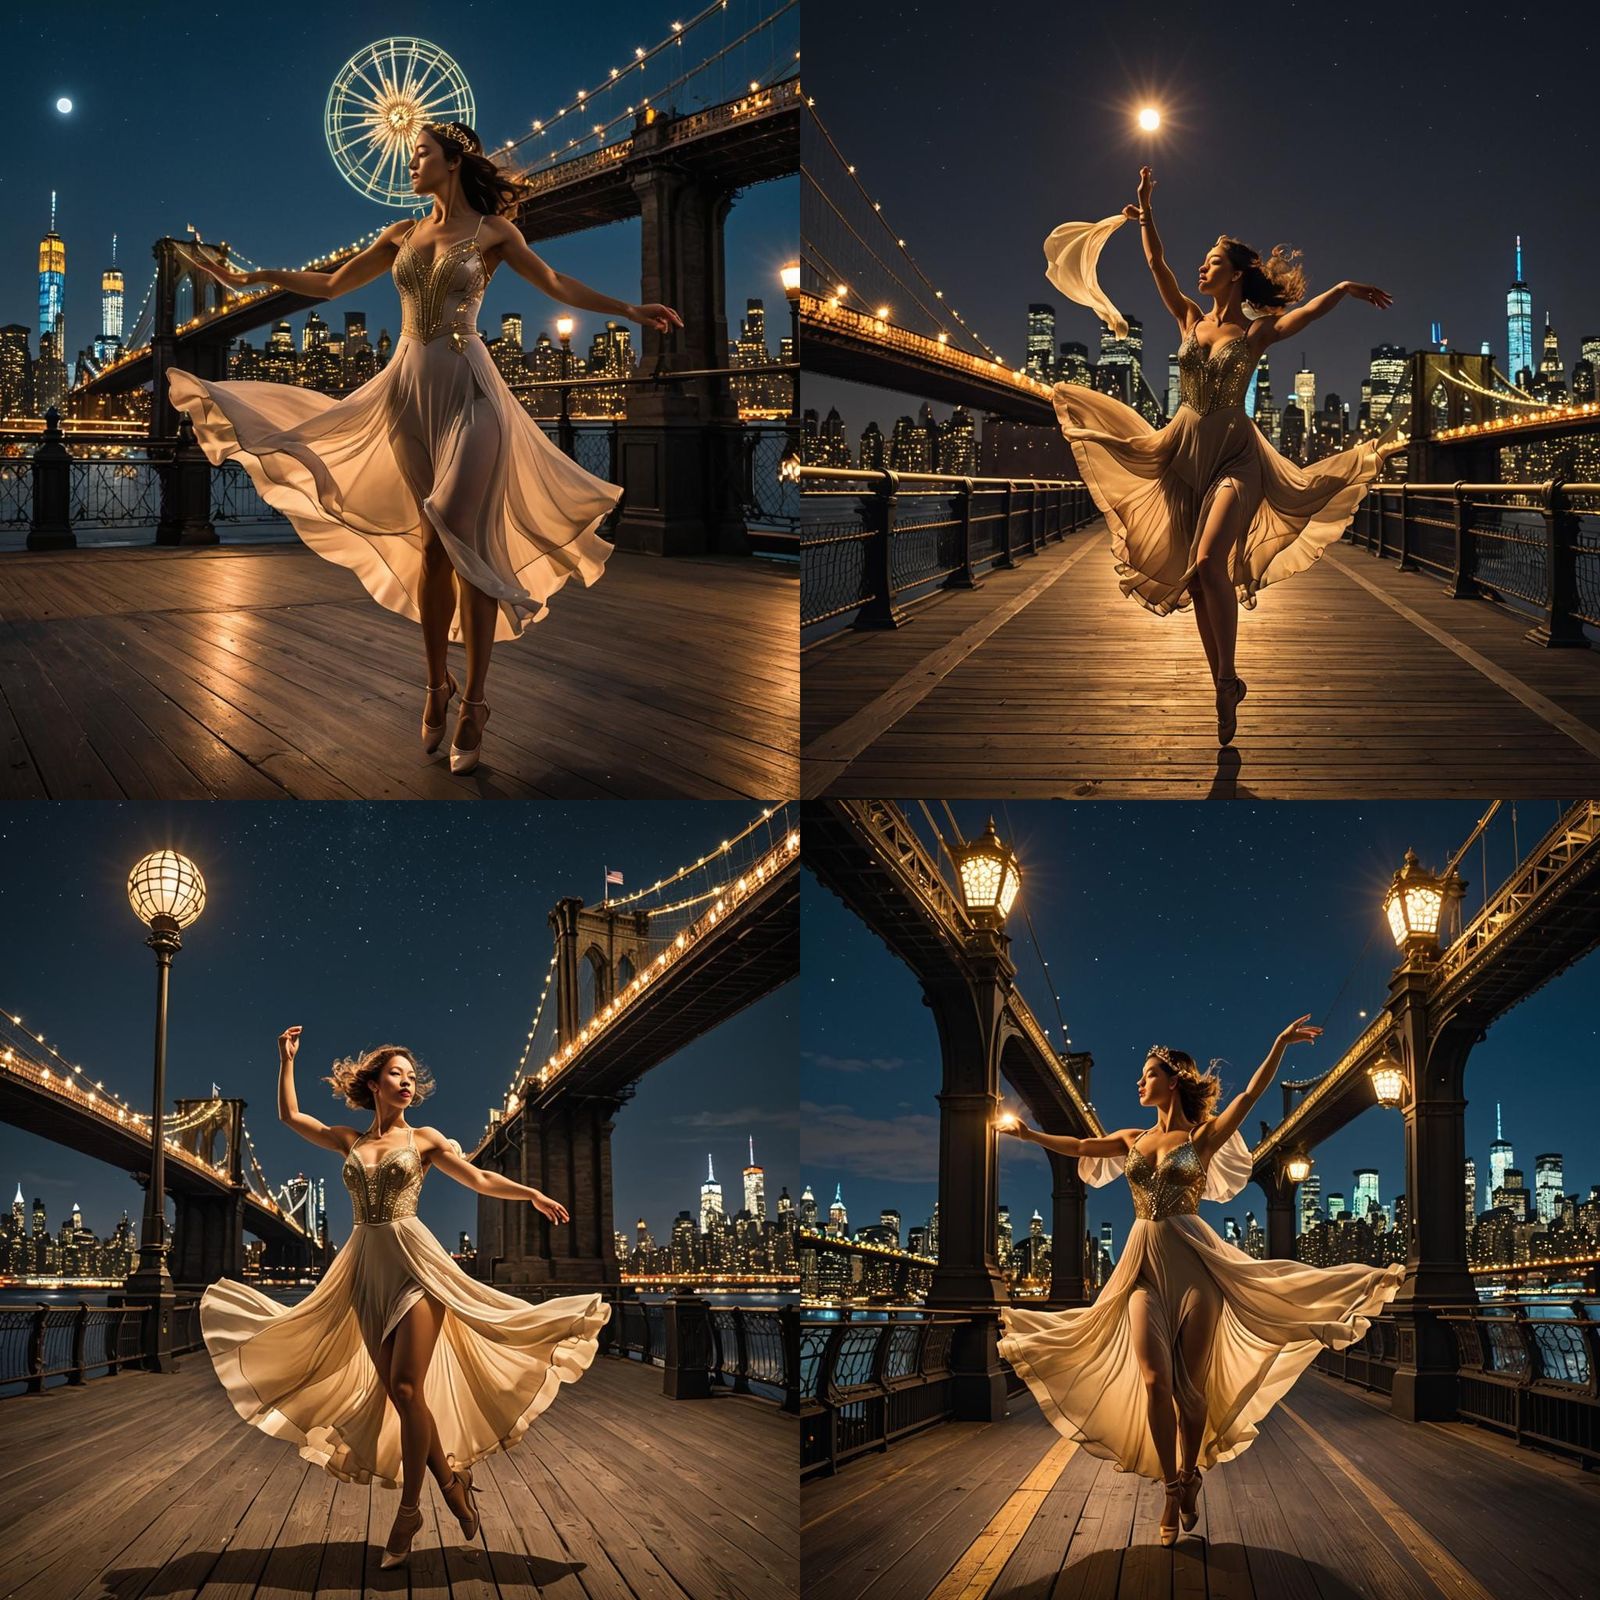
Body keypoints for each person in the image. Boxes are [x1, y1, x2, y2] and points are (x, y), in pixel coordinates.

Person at [168, 121, 684, 774]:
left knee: (460, 532)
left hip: (471, 394)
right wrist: (252, 276)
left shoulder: (494, 233)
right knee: (434, 544)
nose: (411, 165)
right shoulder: (400, 236)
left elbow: (554, 283)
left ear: (453, 161)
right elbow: (328, 286)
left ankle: (476, 701)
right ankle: (436, 684)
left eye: (420, 155)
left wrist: (627, 310)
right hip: (405, 397)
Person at [199, 1026, 610, 1568]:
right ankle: (453, 1484)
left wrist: (530, 1191)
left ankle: (409, 1512)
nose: (407, 1083)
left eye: (413, 1078)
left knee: (406, 1384)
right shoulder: (352, 1141)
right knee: (403, 1399)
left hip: (417, 1265)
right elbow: (291, 1119)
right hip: (364, 1271)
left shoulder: (426, 1140)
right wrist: (286, 1061)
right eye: (397, 1074)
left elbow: (482, 1179)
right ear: (372, 1083)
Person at [997, 1018, 1405, 1546]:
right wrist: (1028, 1133)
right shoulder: (1131, 1139)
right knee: (1153, 1381)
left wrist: (1278, 1043)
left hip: (1195, 1266)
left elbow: (1253, 1094)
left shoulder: (1202, 1138)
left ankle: (1190, 1475)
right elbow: (1079, 1147)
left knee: (1191, 1389)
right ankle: (1170, 1488)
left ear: (1172, 1079)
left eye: (1148, 1075)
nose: (1139, 1083)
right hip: (1142, 1264)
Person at [1040, 166, 1405, 744]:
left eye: (1211, 262)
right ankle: (1224, 685)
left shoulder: (1256, 334)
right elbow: (1157, 265)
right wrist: (1147, 211)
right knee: (1199, 582)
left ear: (1234, 275)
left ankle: (1229, 675)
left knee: (1212, 564)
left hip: (1237, 455)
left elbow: (1303, 315)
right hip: (1182, 453)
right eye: (1203, 262)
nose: (1200, 267)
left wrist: (1344, 289)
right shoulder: (1188, 318)